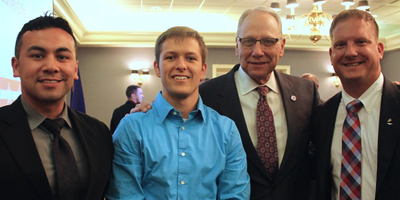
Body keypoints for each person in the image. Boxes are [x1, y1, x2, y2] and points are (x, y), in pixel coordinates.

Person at [105, 26, 250, 200]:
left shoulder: (226, 130)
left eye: (190, 58)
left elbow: (234, 196)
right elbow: (125, 196)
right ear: (157, 68)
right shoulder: (132, 128)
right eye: (171, 57)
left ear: (203, 69)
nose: (181, 66)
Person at [199, 7, 320, 199]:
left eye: (268, 41)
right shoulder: (207, 96)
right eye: (248, 41)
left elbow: (320, 156)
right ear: (237, 45)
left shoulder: (306, 92)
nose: (257, 51)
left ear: (281, 46)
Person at [0, 14, 113, 199]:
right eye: (37, 55)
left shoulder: (98, 132)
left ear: (75, 69)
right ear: (16, 66)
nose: (51, 66)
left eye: (62, 57)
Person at [314, 9, 400, 200]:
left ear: (379, 49)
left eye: (361, 42)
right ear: (331, 54)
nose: (350, 52)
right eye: (341, 44)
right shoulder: (322, 117)